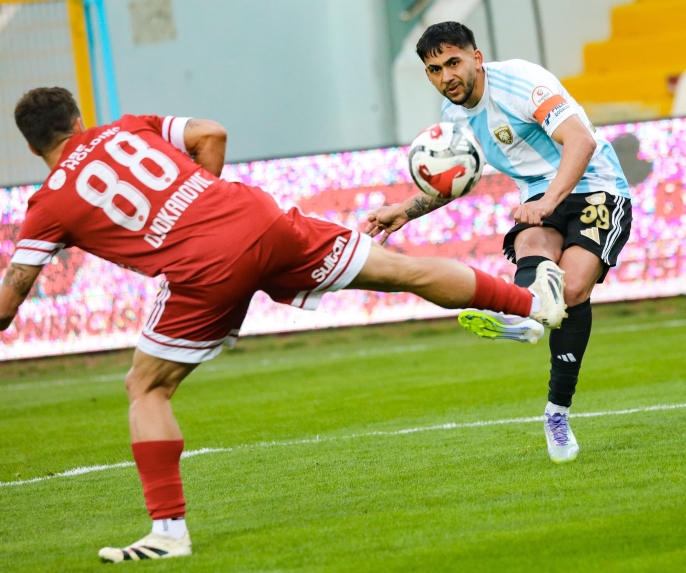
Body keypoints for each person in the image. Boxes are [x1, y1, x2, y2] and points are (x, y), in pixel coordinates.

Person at [0, 87, 566, 562]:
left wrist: (195, 234)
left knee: (146, 387)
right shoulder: (127, 127)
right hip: (258, 218)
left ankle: (168, 532)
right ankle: (533, 302)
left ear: (31, 146)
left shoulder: (48, 205)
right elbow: (211, 133)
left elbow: (12, 297)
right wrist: (204, 201)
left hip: (204, 267)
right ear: (79, 119)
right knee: (403, 270)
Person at [365, 22, 632, 465]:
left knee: (571, 292)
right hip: (538, 199)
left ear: (476, 57)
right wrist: (404, 210)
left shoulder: (522, 82)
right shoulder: (454, 118)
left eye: (453, 62)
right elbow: (458, 180)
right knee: (533, 248)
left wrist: (548, 201)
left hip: (596, 186)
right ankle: (526, 312)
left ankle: (555, 410)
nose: (446, 76)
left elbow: (581, 141)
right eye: (434, 70)